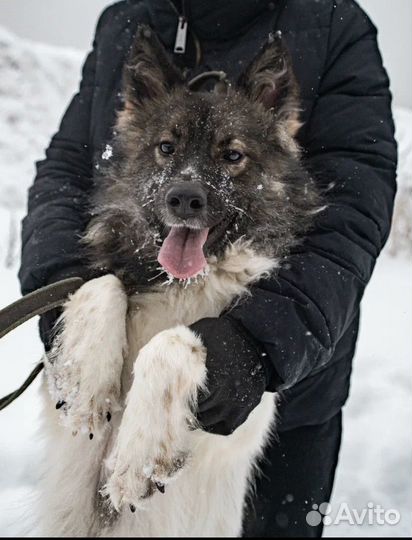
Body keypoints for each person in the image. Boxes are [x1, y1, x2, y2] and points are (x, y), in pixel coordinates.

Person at [18, 0, 397, 537]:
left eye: (231, 156)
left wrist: (258, 344)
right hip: (115, 354)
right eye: (168, 149)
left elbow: (355, 208)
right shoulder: (126, 20)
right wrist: (63, 300)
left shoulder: (331, 20)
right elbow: (68, 170)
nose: (188, 185)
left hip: (285, 374)